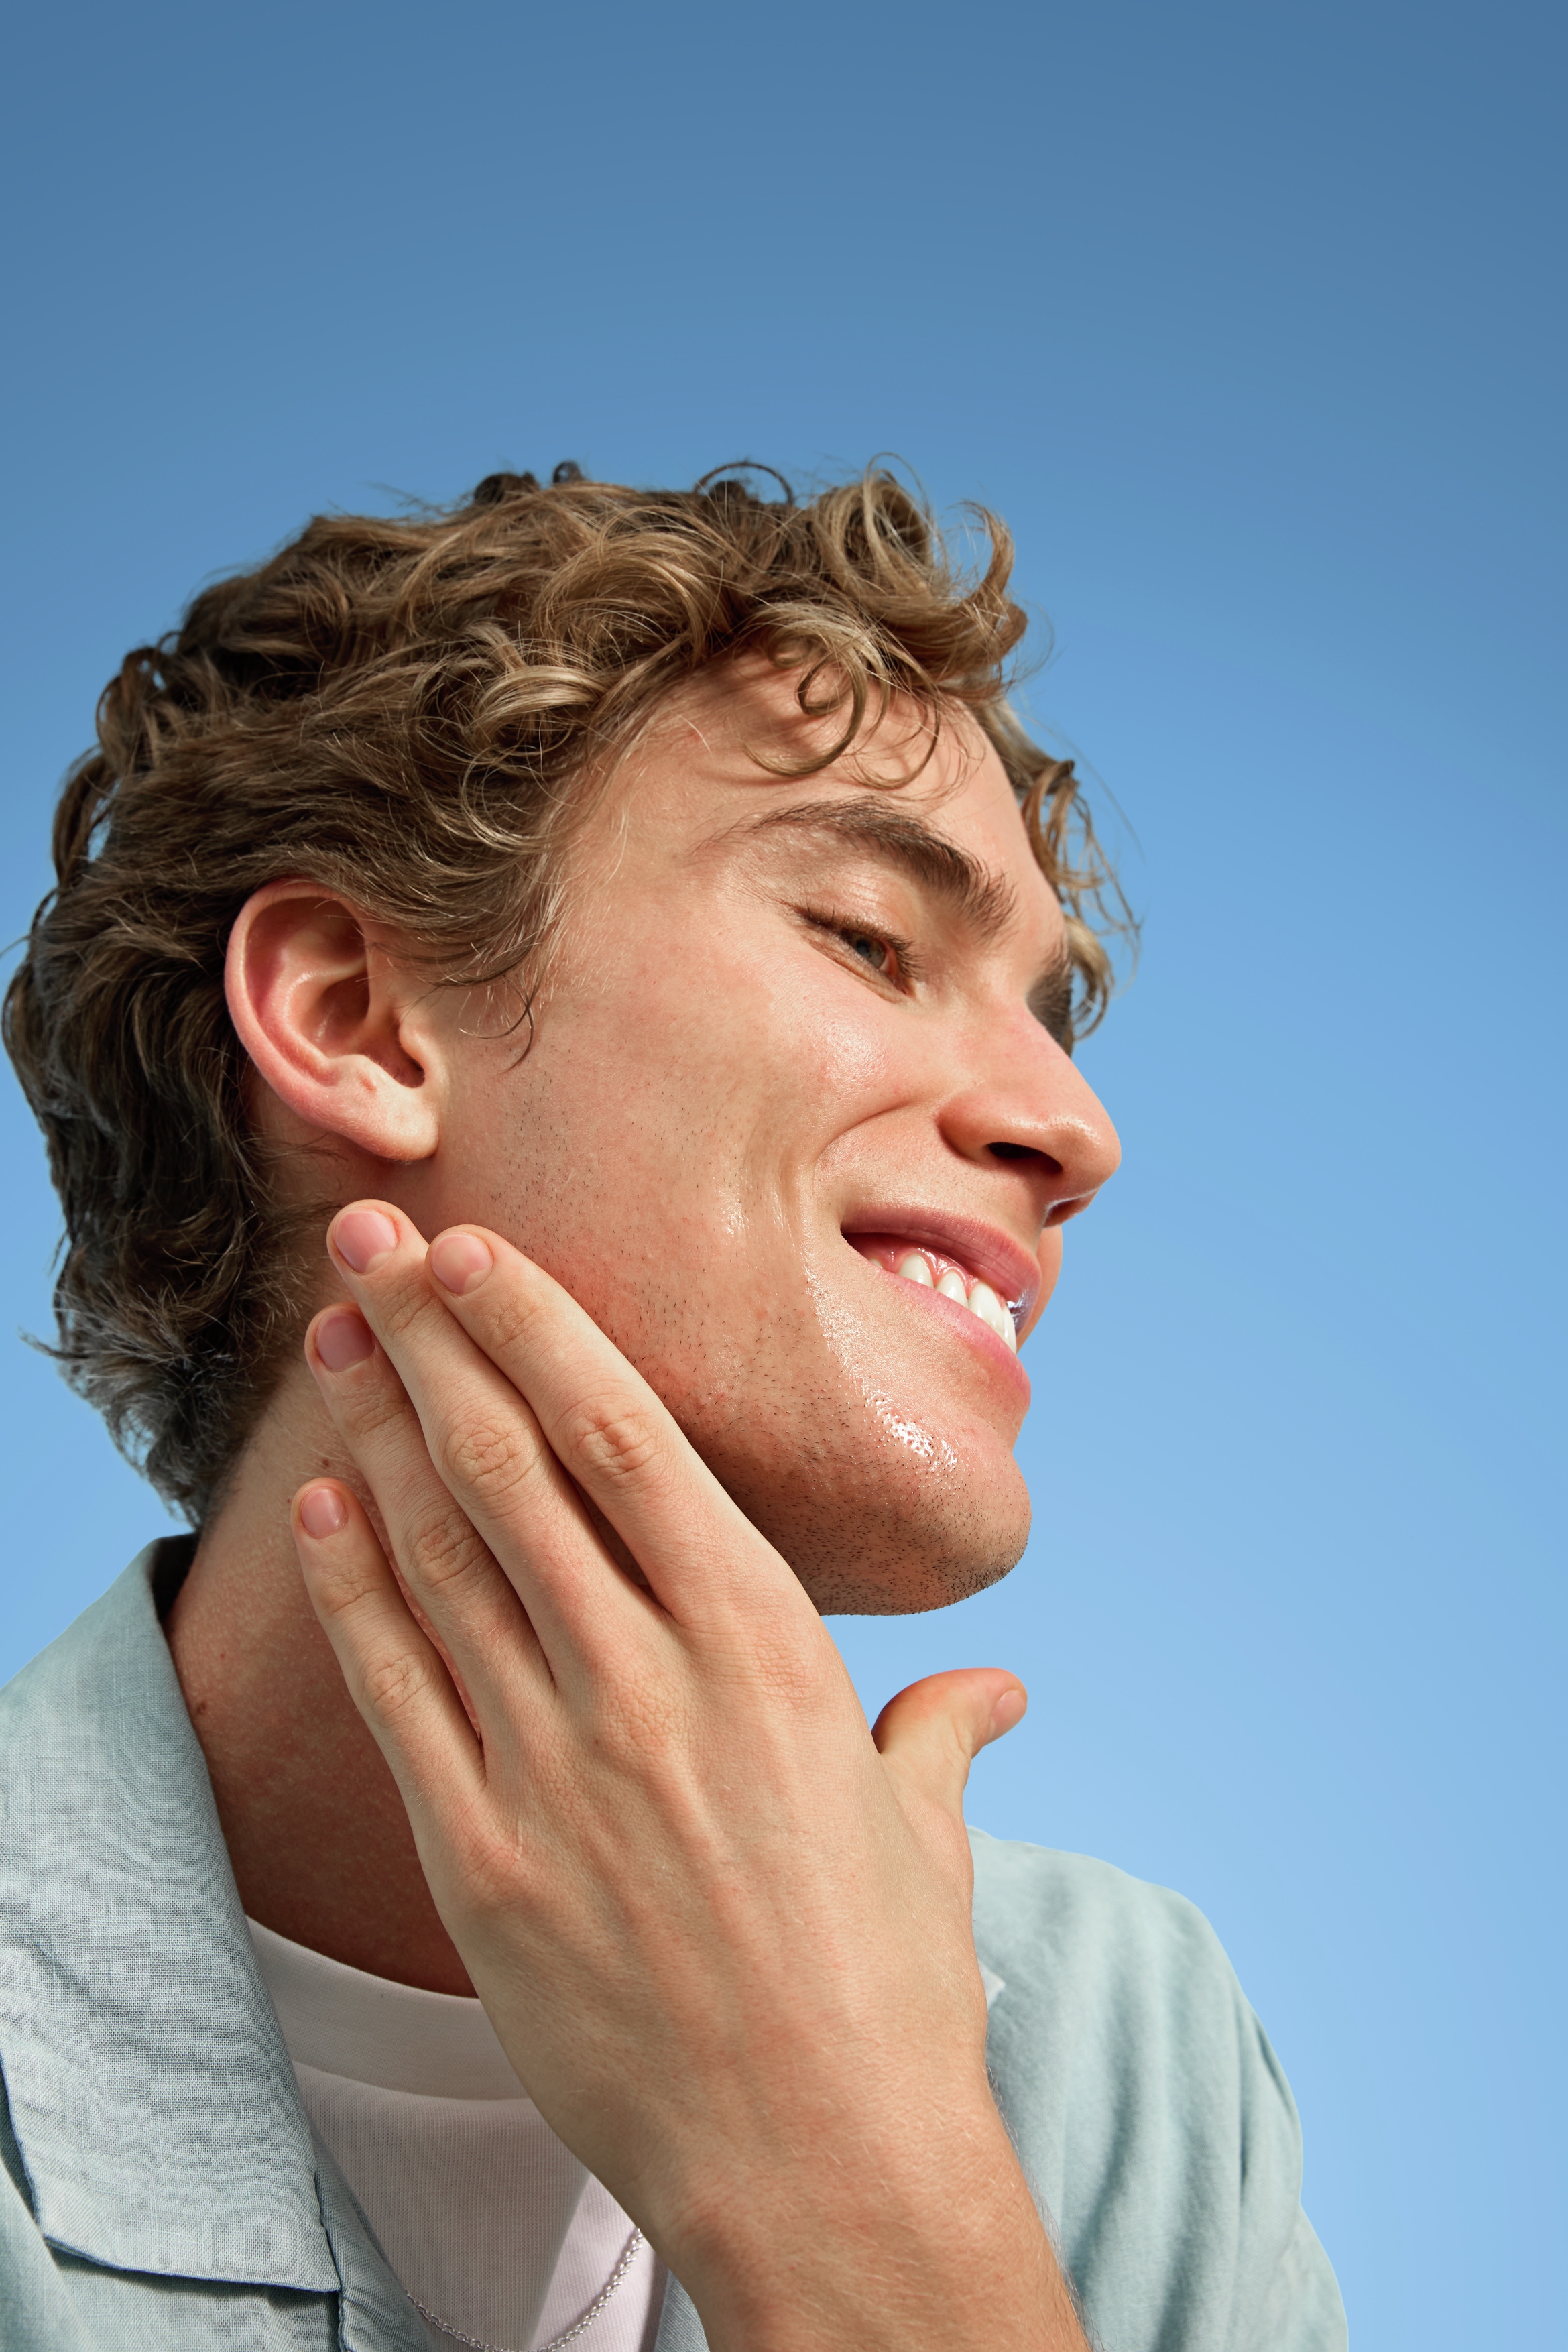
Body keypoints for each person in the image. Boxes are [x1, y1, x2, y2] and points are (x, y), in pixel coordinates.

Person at [0, 465, 1346, 2352]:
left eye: (1051, 1013)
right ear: (359, 1015)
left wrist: (863, 2186)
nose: (1075, 1132)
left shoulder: (1121, 2038)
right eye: (873, 942)